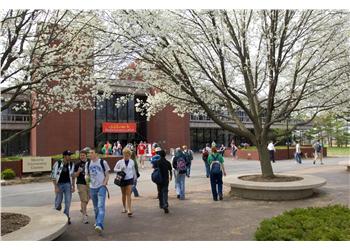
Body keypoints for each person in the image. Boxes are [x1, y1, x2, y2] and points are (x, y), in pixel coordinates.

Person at [85, 149, 110, 234]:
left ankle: (99, 224)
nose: (90, 154)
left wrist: (104, 183)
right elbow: (87, 174)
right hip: (92, 188)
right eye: (89, 153)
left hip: (101, 187)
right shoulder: (87, 163)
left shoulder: (103, 162)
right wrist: (87, 179)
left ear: (96, 153)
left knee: (100, 206)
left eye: (92, 153)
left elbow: (107, 174)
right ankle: (97, 221)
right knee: (95, 208)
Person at [51, 150, 75, 224]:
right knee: (58, 203)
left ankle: (66, 217)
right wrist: (55, 187)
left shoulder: (71, 164)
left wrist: (73, 186)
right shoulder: (57, 163)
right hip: (59, 185)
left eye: (70, 155)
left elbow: (72, 176)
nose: (70, 157)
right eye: (69, 155)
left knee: (68, 202)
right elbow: (53, 176)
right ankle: (57, 217)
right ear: (64, 156)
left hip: (68, 185)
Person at [114, 147, 137, 217]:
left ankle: (129, 209)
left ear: (129, 155)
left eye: (127, 155)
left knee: (129, 194)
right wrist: (120, 169)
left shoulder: (132, 161)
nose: (126, 157)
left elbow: (133, 170)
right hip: (122, 179)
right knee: (123, 194)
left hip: (129, 179)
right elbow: (114, 169)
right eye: (124, 155)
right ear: (123, 155)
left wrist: (135, 177)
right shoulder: (119, 162)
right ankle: (124, 207)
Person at [153, 149, 172, 213]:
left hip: (159, 179)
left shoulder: (157, 162)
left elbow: (154, 168)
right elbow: (170, 170)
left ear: (159, 155)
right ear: (165, 155)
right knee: (165, 192)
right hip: (166, 179)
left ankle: (161, 204)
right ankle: (165, 204)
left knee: (160, 192)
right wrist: (171, 177)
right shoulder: (167, 162)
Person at [73, 149, 90, 224]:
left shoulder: (90, 163)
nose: (82, 157)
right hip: (80, 183)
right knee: (84, 200)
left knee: (88, 198)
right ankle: (84, 215)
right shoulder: (77, 164)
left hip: (89, 183)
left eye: (83, 155)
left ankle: (83, 209)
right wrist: (78, 172)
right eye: (81, 155)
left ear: (86, 155)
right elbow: (74, 175)